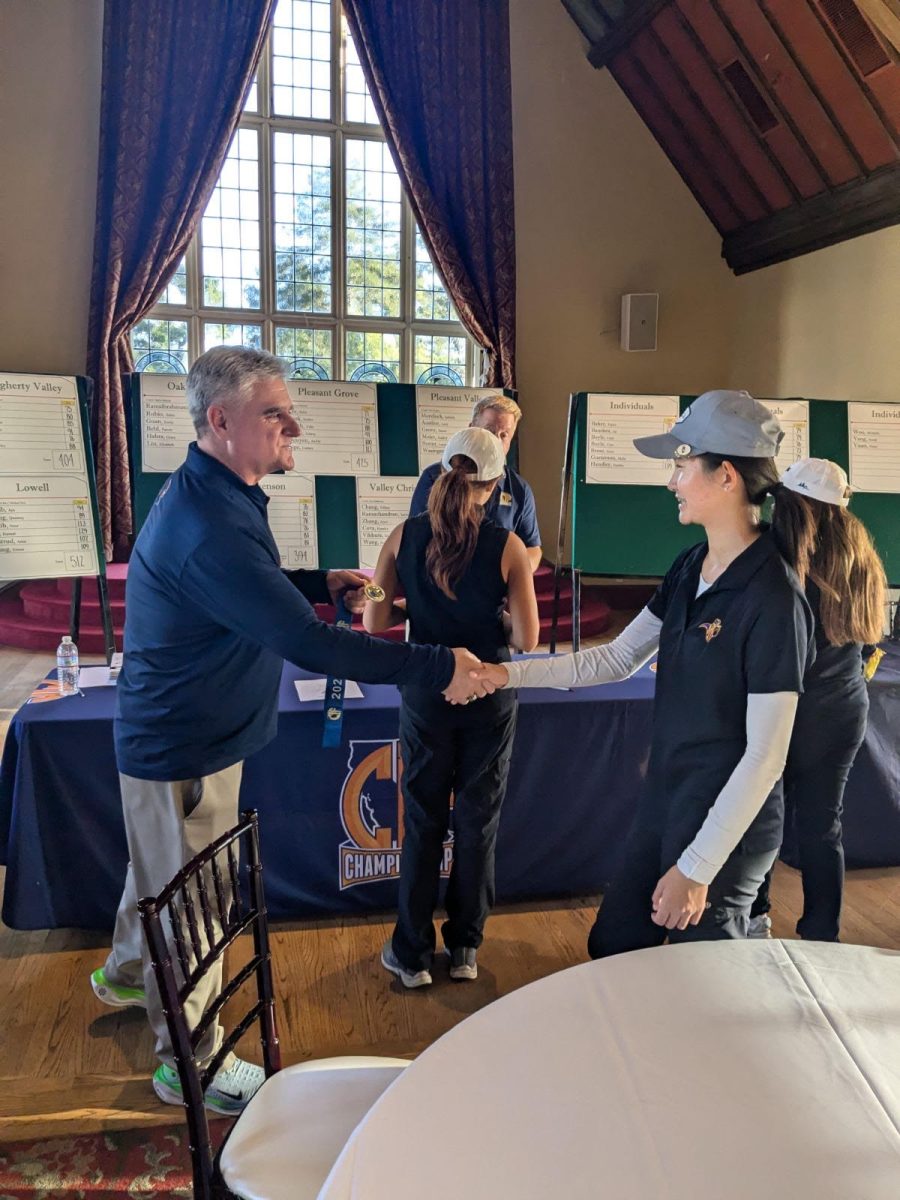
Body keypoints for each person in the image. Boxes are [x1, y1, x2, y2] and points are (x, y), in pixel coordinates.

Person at [90, 347, 490, 1113]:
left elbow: (244, 594)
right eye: (276, 413)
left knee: (165, 869)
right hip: (185, 745)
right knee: (195, 901)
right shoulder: (207, 522)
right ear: (221, 420)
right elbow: (309, 644)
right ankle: (191, 1062)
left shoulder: (222, 492)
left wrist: (311, 584)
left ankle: (126, 972)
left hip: (196, 733)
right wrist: (437, 666)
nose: (294, 426)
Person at [470, 390, 816, 957]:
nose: (671, 482)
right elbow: (613, 658)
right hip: (667, 797)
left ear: (725, 475)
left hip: (727, 822)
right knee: (615, 947)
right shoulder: (689, 566)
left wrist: (698, 869)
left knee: (699, 975)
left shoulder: (773, 596)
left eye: (680, 467)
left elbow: (765, 757)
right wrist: (504, 675)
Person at [363, 427, 539, 986]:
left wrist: (372, 588)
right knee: (477, 822)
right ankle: (465, 948)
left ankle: (411, 954)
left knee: (422, 821)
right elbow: (529, 638)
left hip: (426, 692)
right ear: (494, 485)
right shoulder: (509, 546)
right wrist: (497, 618)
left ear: (441, 473)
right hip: (488, 693)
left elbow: (375, 617)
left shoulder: (401, 535)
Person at [747, 458, 886, 942]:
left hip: (787, 707)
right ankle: (822, 935)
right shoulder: (862, 554)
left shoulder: (778, 552)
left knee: (763, 814)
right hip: (845, 706)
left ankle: (755, 918)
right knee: (823, 826)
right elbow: (869, 639)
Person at [410, 394, 542, 571]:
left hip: (495, 587)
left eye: (504, 435)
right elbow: (415, 539)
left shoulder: (520, 490)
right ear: (471, 429)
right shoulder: (434, 477)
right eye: (488, 431)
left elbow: (532, 548)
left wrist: (517, 579)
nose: (495, 440)